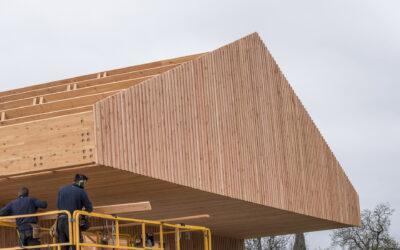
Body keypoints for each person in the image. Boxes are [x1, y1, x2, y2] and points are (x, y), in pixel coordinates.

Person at [57, 174, 93, 249]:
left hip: (60, 222)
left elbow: (58, 205)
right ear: (81, 182)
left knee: (63, 247)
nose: (84, 185)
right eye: (84, 182)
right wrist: (83, 215)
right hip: (71, 222)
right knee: (75, 246)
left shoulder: (61, 189)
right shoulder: (81, 191)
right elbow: (89, 208)